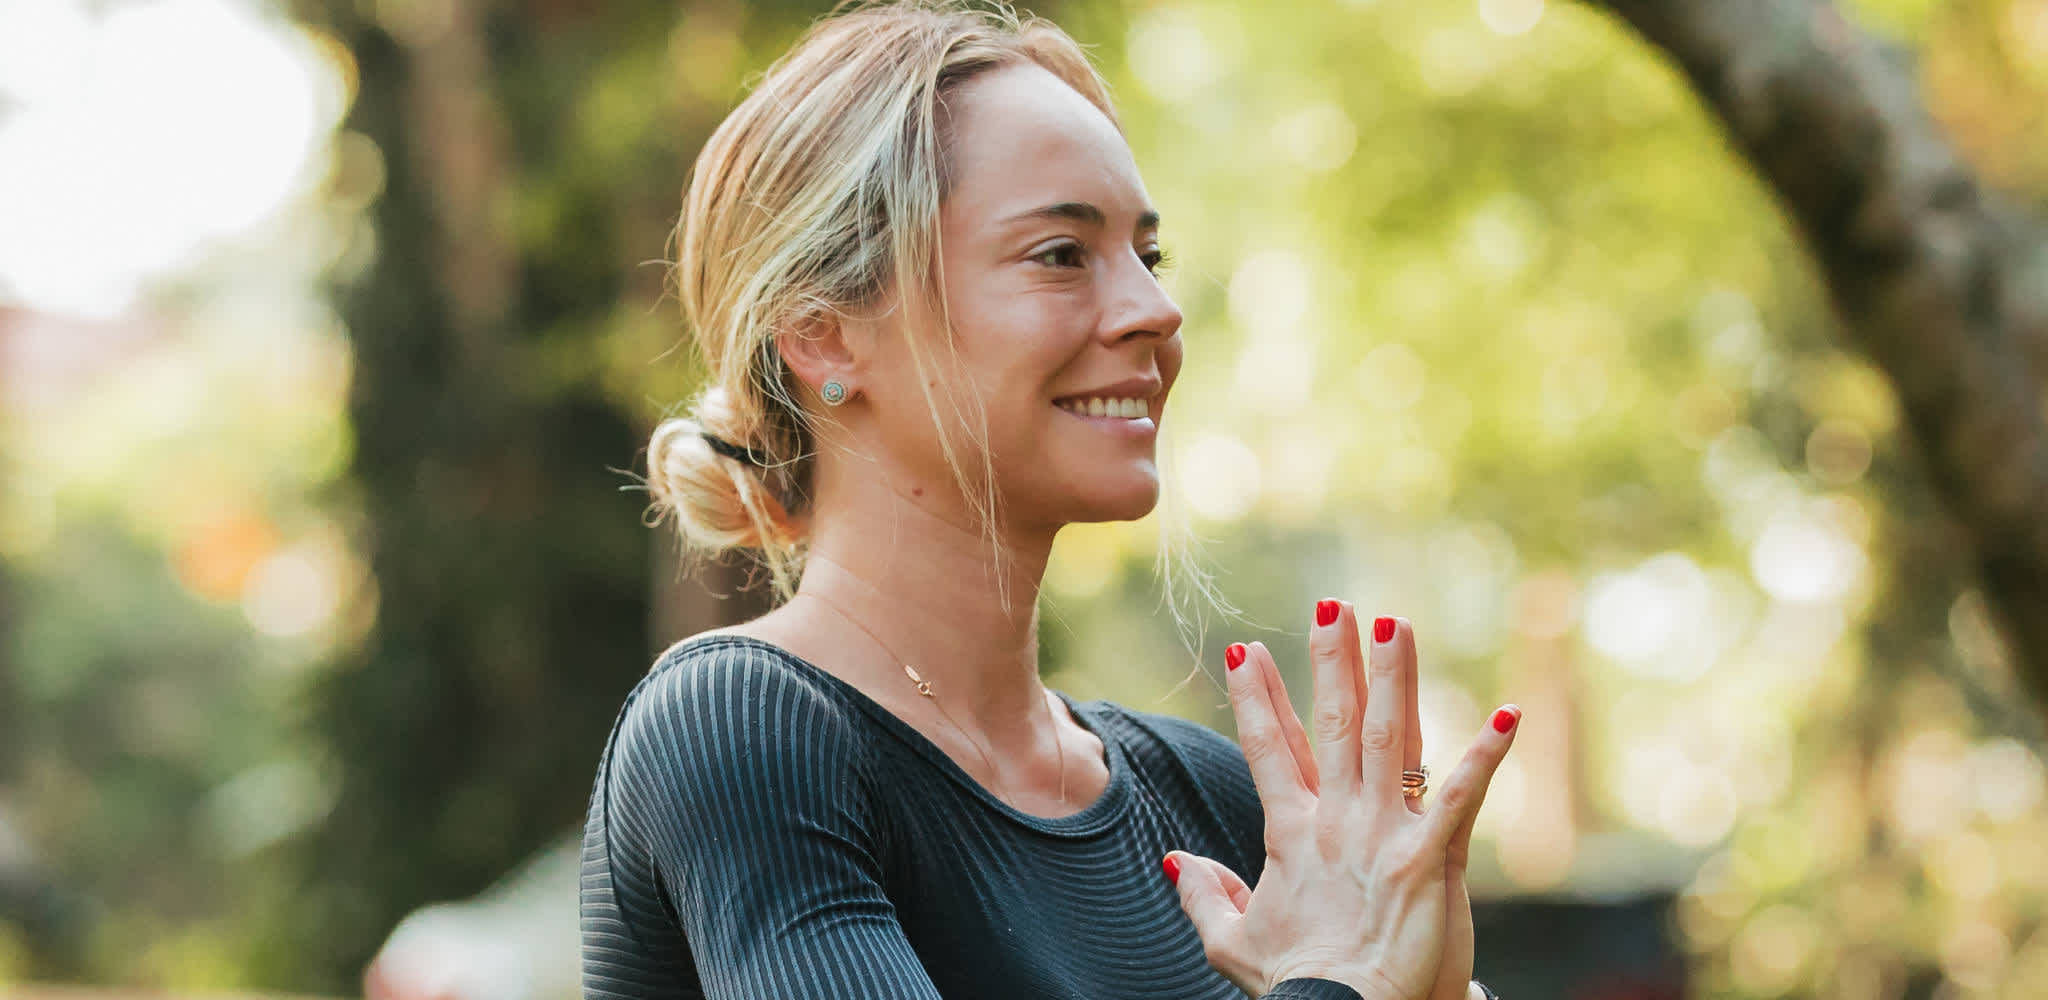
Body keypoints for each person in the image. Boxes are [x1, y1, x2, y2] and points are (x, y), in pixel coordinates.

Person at [579, 2, 1521, 998]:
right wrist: (1341, 982)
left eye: (1146, 256)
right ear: (822, 332)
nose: (1157, 310)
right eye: (1062, 254)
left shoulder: (1212, 799)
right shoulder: (740, 730)